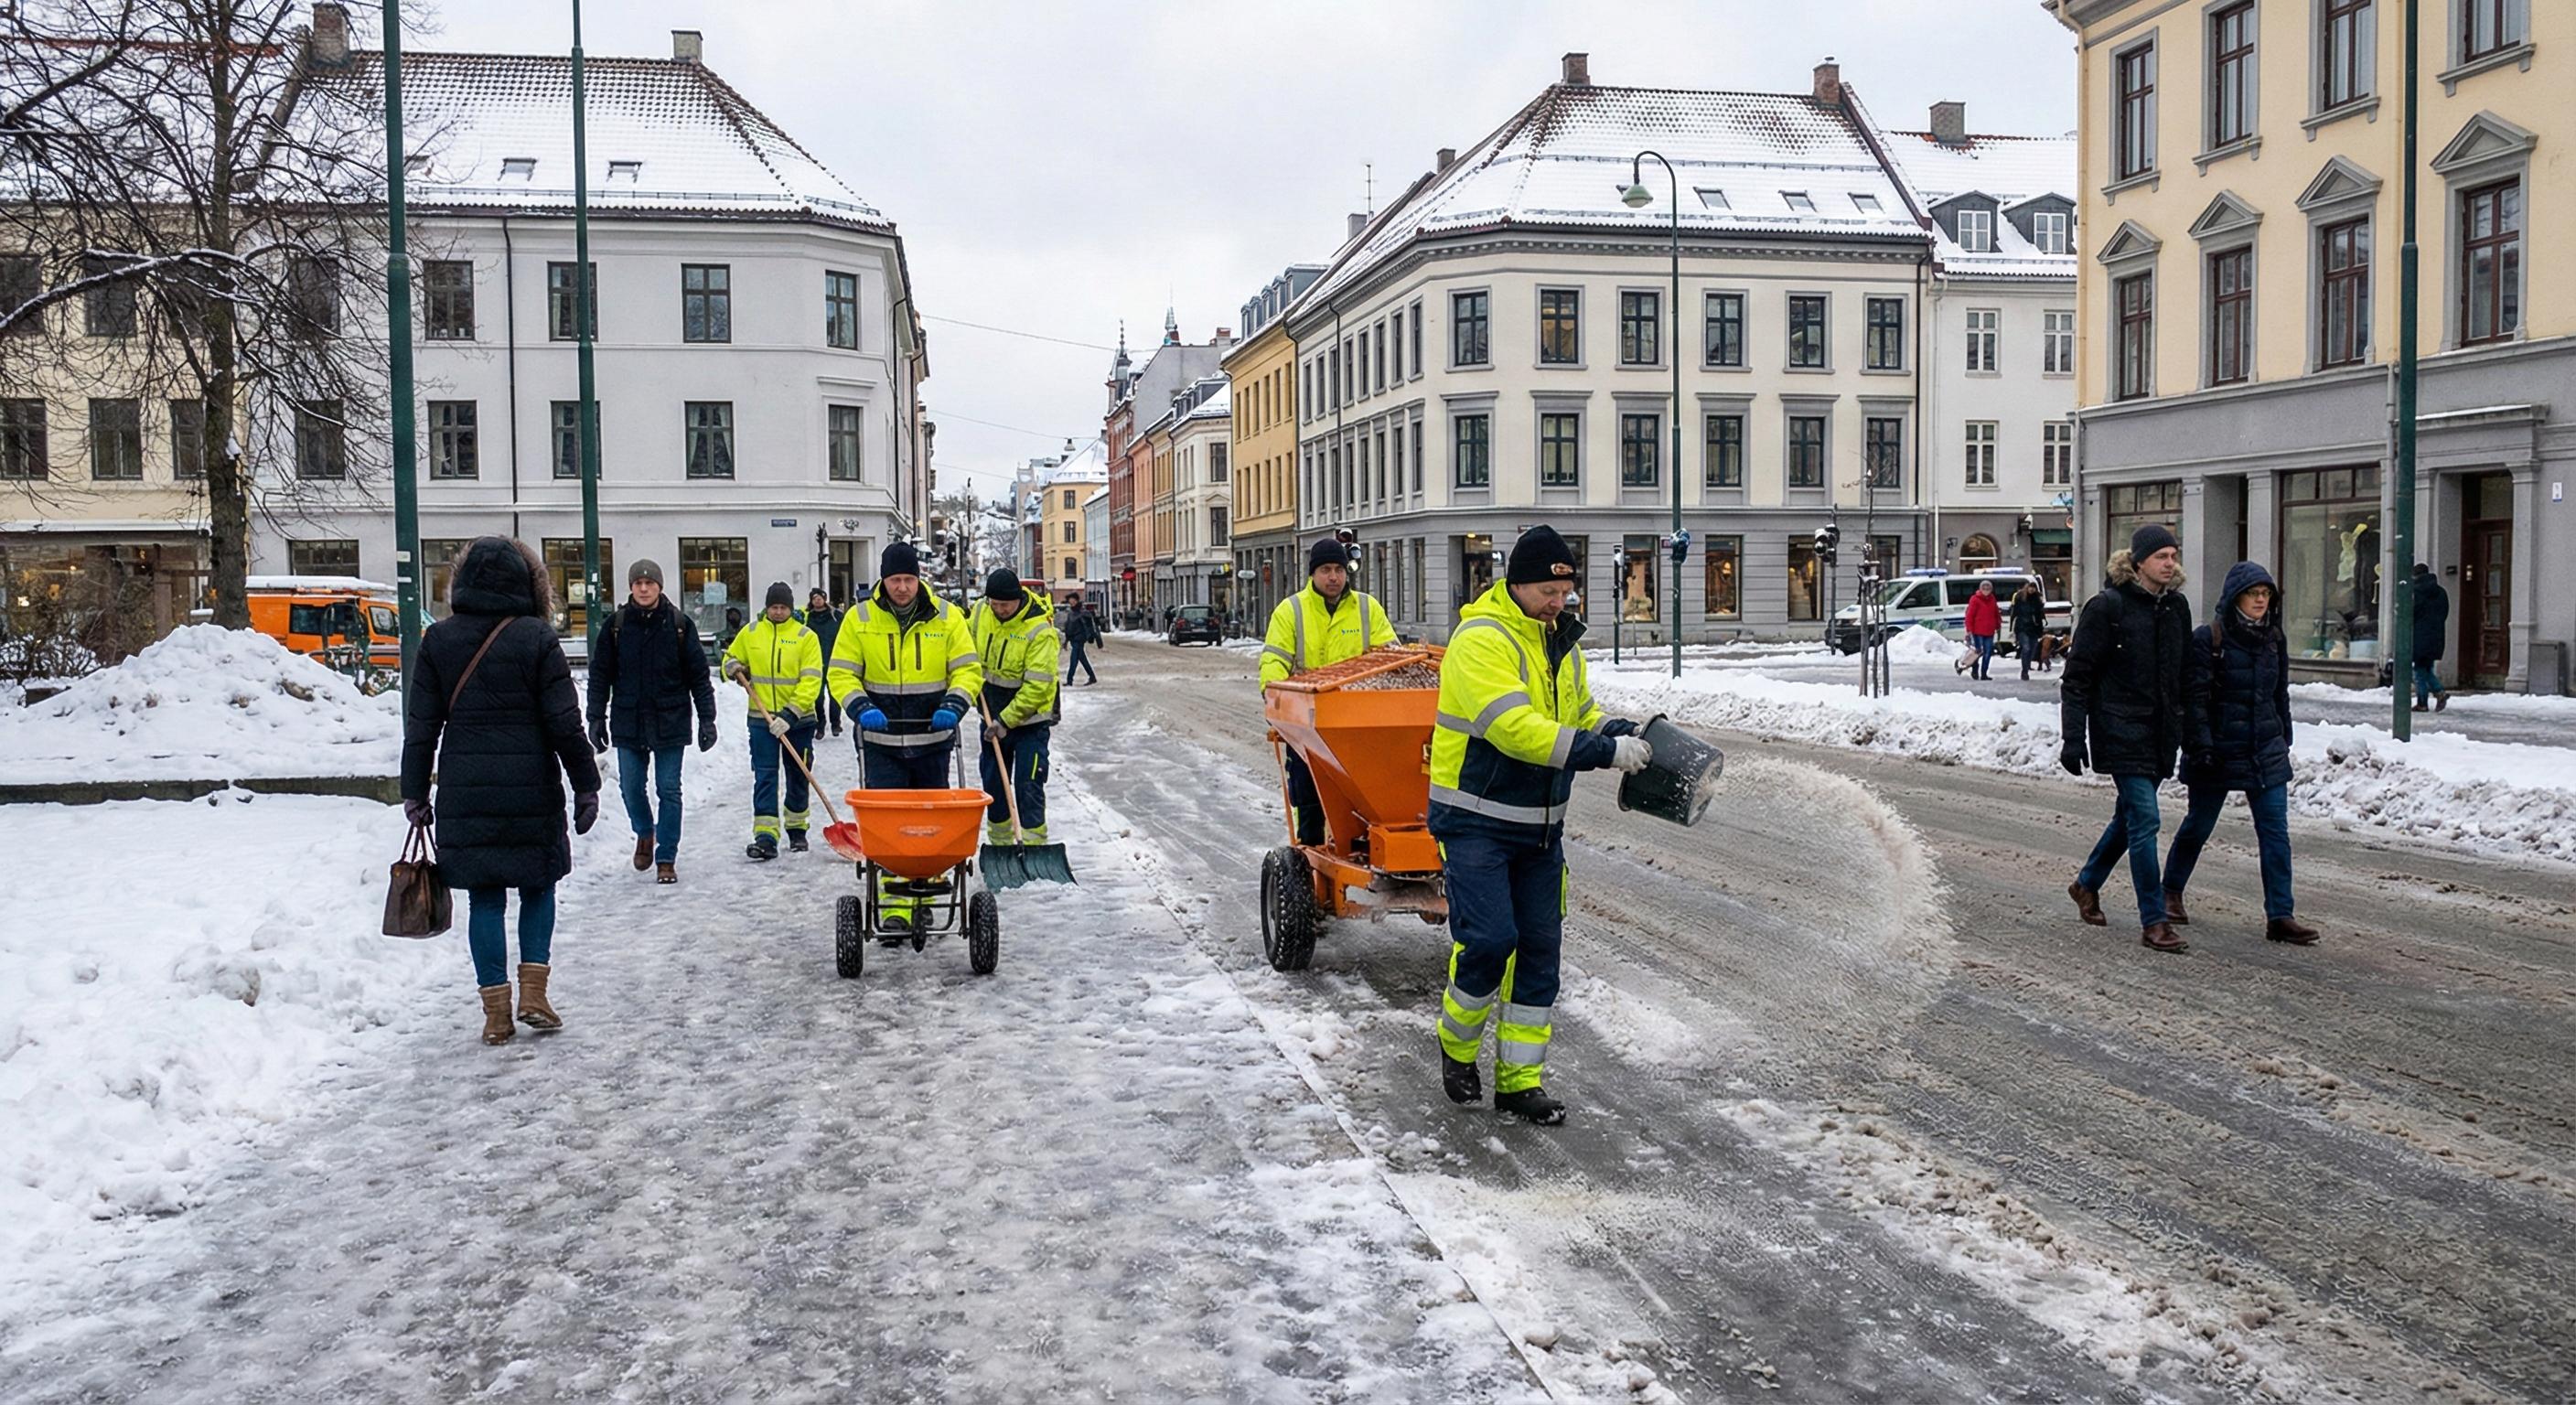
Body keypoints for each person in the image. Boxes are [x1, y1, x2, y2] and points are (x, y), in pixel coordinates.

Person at [1427, 526, 1653, 1126]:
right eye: (1549, 591)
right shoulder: (1482, 640)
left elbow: (1579, 715)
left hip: (1539, 830)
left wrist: (1620, 732)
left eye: (1565, 590)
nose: (1560, 602)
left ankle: (1520, 1083)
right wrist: (1600, 753)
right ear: (1518, 584)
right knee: (1490, 940)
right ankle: (1456, 1047)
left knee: (1540, 953)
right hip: (1475, 821)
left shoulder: (1561, 646)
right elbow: (1514, 729)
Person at [401, 536, 601, 1046]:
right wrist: (585, 784)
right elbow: (564, 722)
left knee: (485, 900)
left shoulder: (439, 641)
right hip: (531, 786)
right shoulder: (536, 637)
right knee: (538, 886)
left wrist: (414, 791)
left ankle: (495, 1011)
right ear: (529, 585)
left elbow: (421, 726)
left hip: (466, 791)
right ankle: (534, 993)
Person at [829, 542, 983, 932]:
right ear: (884, 580)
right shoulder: (858, 619)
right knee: (888, 834)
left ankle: (928, 894)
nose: (902, 587)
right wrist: (861, 708)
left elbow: (967, 670)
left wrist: (955, 704)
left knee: (932, 830)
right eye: (895, 580)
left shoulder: (948, 618)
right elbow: (841, 673)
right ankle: (896, 908)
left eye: (909, 579)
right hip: (881, 745)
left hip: (933, 739)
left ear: (919, 580)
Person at [2163, 563, 2319, 945]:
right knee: (2199, 825)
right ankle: (2170, 892)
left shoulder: (2273, 639)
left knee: (2275, 833)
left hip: (2264, 748)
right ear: (2236, 597)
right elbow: (2194, 699)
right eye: (2254, 594)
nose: (2261, 601)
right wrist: (2199, 746)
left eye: (2266, 594)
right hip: (2216, 750)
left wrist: (2284, 734)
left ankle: (2280, 915)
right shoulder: (2208, 638)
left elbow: (2278, 692)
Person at [2061, 525, 2195, 953]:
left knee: (2131, 819)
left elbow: (2185, 677)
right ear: (2138, 562)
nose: (2170, 563)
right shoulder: (2107, 608)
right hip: (2119, 730)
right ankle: (2154, 921)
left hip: (2160, 734)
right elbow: (2077, 678)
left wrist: (2191, 727)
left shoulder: (2177, 608)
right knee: (2146, 821)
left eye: (2173, 555)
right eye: (2161, 556)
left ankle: (2086, 884)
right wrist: (2072, 737)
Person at [586, 559, 718, 885]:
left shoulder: (678, 625)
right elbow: (600, 675)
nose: (644, 589)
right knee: (631, 788)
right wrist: (595, 717)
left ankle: (666, 857)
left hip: (670, 718)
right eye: (638, 583)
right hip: (628, 719)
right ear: (631, 587)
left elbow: (699, 676)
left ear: (660, 586)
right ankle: (645, 832)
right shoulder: (615, 626)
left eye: (650, 583)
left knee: (669, 789)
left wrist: (707, 719)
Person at [1261, 536, 1397, 843]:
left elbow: (1390, 657)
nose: (1333, 577)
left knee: (1365, 800)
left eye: (1338, 569)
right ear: (1312, 574)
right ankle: (1309, 863)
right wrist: (1275, 704)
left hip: (1359, 726)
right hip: (1307, 728)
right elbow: (1274, 662)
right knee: (1310, 800)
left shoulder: (1367, 608)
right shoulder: (1291, 611)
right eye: (1325, 570)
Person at [721, 583, 824, 861]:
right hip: (761, 720)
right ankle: (766, 836)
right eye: (774, 607)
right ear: (767, 607)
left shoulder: (806, 637)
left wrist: (790, 714)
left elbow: (812, 680)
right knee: (765, 776)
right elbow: (731, 659)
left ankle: (797, 828)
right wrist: (731, 667)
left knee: (798, 774)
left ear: (791, 608)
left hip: (799, 721)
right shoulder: (752, 633)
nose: (778, 612)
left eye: (783, 607)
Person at [970, 568, 1062, 845]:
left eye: (1005, 605)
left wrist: (1005, 722)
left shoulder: (1039, 631)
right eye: (994, 604)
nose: (999, 610)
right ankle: (1001, 844)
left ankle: (1034, 846)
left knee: (1028, 783)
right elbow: (963, 647)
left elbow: (1038, 687)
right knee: (994, 783)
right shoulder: (979, 613)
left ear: (1018, 600)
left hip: (1030, 724)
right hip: (989, 715)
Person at [804, 588, 844, 736]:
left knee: (835, 694)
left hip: (834, 659)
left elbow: (845, 636)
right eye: (814, 598)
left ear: (825, 599)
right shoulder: (807, 618)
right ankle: (820, 724)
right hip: (815, 662)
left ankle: (836, 724)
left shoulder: (836, 616)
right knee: (817, 696)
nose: (817, 600)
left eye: (820, 597)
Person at [2410, 563, 2450, 713]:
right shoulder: (2441, 592)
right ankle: (2437, 694)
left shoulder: (2416, 592)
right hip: (2437, 635)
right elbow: (2444, 612)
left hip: (2420, 635)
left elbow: (2412, 613)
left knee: (2420, 670)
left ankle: (2426, 701)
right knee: (2427, 667)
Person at [1964, 579, 2002, 681]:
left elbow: (1996, 613)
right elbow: (1970, 615)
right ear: (1980, 589)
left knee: (1988, 653)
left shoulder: (1992, 599)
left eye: (1988, 588)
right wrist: (1969, 629)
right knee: (1977, 652)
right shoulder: (1975, 599)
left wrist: (1998, 625)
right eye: (1984, 588)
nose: (1986, 590)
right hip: (1977, 631)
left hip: (1989, 631)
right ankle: (1975, 670)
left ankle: (1984, 673)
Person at [2010, 580, 2047, 681]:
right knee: (2026, 648)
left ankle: (2027, 665)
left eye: (2033, 587)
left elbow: (2040, 615)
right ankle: (2024, 671)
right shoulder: (2020, 599)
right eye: (2030, 587)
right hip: (2022, 627)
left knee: (2033, 649)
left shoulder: (2037, 600)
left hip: (2034, 628)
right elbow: (2014, 613)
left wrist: (2041, 626)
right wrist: (2012, 628)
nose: (2032, 589)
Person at [1064, 601, 1101, 686]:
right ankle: (1092, 677)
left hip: (1079, 640)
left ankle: (1069, 680)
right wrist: (1066, 640)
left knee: (1073, 661)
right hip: (1075, 640)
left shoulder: (1083, 615)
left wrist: (1094, 638)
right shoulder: (1072, 615)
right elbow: (1068, 628)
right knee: (1083, 660)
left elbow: (1090, 628)